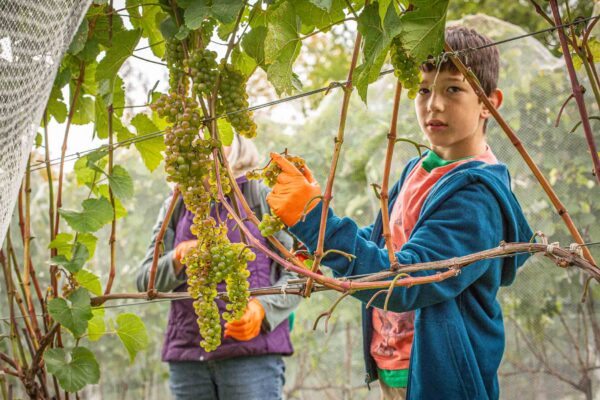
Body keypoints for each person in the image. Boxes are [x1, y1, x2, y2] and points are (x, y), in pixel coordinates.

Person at [266, 26, 533, 400]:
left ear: (490, 102)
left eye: (452, 89)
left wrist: (317, 221)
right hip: (396, 371)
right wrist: (316, 236)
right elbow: (387, 249)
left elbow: (407, 281)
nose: (433, 104)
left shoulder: (476, 196)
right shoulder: (418, 168)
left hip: (442, 382)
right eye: (423, 89)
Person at [137, 134, 300, 400]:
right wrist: (178, 256)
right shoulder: (175, 204)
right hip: (188, 360)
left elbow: (301, 271)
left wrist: (262, 309)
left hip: (251, 358)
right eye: (197, 141)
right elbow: (146, 280)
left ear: (235, 145)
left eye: (216, 137)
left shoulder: (258, 195)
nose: (205, 149)